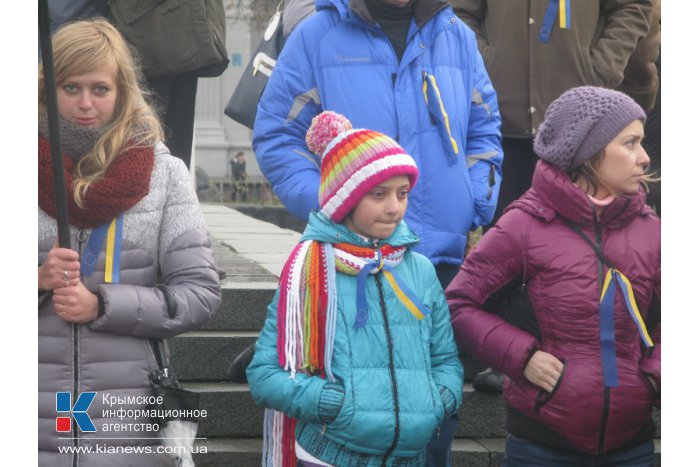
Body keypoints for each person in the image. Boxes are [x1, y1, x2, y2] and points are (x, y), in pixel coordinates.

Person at [252, 4, 502, 460]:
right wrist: (337, 204)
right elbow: (278, 134)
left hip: (439, 260)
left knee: (433, 427)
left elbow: (484, 129)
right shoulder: (318, 34)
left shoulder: (456, 36)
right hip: (346, 265)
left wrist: (475, 199)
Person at [38, 19, 222, 465]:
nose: (85, 103)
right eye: (70, 87)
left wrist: (103, 304)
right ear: (46, 88)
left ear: (122, 90)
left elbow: (200, 293)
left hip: (130, 417)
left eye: (100, 89)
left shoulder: (164, 175)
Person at [446, 87, 660, 466]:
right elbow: (460, 304)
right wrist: (522, 357)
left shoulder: (652, 231)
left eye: (642, 143)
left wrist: (654, 376)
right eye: (630, 143)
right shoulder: (523, 225)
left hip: (634, 444)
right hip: (541, 444)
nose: (644, 158)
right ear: (587, 153)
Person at [450, 0, 654, 393]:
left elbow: (632, 6)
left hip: (582, 126)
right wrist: (486, 61)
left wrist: (600, 66)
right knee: (507, 244)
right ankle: (506, 356)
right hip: (501, 115)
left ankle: (590, 363)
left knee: (580, 248)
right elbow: (459, 9)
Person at [247, 111, 464, 466]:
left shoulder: (420, 271)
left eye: (403, 193)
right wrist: (330, 404)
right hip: (329, 456)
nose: (395, 208)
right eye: (379, 194)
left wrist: (438, 399)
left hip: (409, 456)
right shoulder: (311, 270)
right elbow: (265, 373)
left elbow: (445, 359)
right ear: (345, 200)